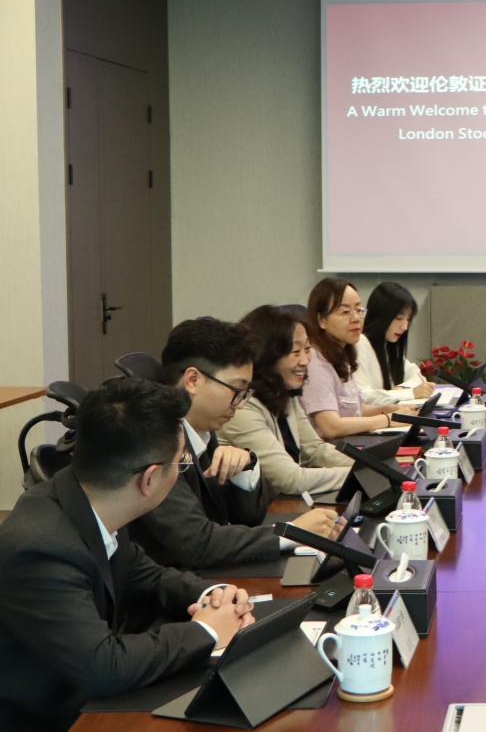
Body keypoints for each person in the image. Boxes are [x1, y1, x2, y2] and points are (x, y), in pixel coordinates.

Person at [0, 379, 256, 731]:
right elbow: (104, 667)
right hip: (47, 717)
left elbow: (142, 573)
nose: (181, 469)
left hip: (84, 696)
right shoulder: (40, 549)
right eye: (181, 462)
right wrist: (206, 632)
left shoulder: (90, 497)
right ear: (149, 479)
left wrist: (212, 596)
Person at [128, 317, 339, 570]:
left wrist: (245, 469)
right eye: (237, 390)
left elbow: (248, 518)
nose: (240, 404)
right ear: (193, 380)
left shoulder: (203, 429)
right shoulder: (151, 442)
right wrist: (293, 532)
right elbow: (198, 544)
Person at [219, 305, 353, 495]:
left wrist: (372, 465)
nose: (305, 360)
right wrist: (358, 474)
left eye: (307, 349)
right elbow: (291, 480)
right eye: (295, 351)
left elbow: (314, 450)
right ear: (267, 355)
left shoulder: (283, 392)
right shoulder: (242, 407)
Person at [302, 278, 409, 440]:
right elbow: (330, 426)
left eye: (359, 310)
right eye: (345, 312)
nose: (356, 318)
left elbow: (351, 410)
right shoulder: (315, 361)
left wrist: (385, 410)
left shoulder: (341, 354)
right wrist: (388, 419)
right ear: (321, 320)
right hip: (329, 451)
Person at [355, 281, 436, 404]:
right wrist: (411, 393)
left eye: (408, 319)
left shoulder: (387, 344)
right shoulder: (360, 343)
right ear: (380, 315)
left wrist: (402, 388)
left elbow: (417, 376)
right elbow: (362, 397)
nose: (405, 326)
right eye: (399, 318)